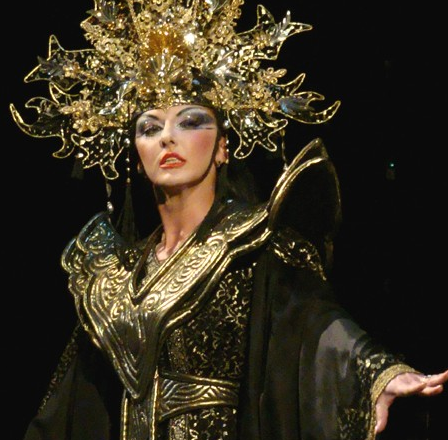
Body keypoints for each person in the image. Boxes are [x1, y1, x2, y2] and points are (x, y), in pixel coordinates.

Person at [9, 1, 447, 440]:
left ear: (222, 147)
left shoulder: (255, 244)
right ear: (138, 160)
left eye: (190, 122)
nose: (167, 138)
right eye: (149, 128)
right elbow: (70, 404)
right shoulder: (114, 278)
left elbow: (313, 323)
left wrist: (375, 373)